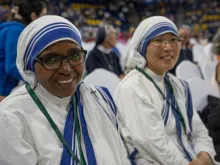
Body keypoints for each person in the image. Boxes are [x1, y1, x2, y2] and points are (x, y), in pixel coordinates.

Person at [0, 15, 131, 165]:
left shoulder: (99, 98)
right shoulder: (12, 117)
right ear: (30, 66)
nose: (66, 69)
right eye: (51, 59)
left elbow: (120, 155)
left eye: (75, 55)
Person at [115, 16, 218, 165]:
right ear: (142, 46)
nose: (168, 47)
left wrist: (205, 155)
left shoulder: (178, 85)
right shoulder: (132, 87)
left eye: (173, 40)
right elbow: (153, 143)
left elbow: (198, 131)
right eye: (158, 40)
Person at [0, 0, 47, 101]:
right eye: (43, 15)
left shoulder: (15, 29)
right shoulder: (15, 31)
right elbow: (12, 67)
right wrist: (39, 79)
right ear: (34, 15)